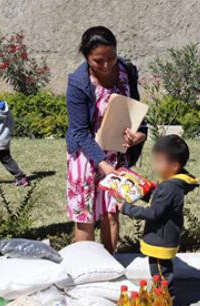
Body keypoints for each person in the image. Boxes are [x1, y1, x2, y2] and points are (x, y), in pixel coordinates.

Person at [65, 26, 148, 254]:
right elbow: (79, 132)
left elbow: (135, 110)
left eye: (111, 58)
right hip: (85, 154)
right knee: (85, 216)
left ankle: (110, 263)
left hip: (115, 152)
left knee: (112, 212)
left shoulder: (126, 71)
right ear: (86, 57)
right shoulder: (78, 83)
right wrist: (102, 163)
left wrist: (139, 134)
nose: (106, 65)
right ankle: (86, 266)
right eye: (98, 61)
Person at [119, 135, 199, 289]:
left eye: (158, 162)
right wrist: (143, 190)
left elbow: (153, 212)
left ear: (174, 165)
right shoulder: (172, 183)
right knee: (160, 272)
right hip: (163, 236)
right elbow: (159, 201)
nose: (155, 165)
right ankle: (160, 296)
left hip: (161, 240)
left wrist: (126, 208)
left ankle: (166, 300)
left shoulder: (170, 187)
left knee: (161, 275)